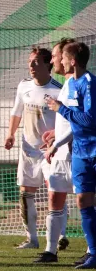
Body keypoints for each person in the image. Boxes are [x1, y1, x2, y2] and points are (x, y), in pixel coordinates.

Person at [4, 47, 62, 249]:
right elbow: (16, 111)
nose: (31, 66)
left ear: (48, 65)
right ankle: (32, 239)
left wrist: (56, 142)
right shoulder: (24, 86)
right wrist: (11, 133)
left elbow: (64, 120)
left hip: (50, 151)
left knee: (54, 193)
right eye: (30, 62)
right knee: (25, 193)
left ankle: (58, 238)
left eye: (36, 62)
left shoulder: (59, 90)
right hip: (28, 150)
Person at [46, 42, 96, 269]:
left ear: (73, 60)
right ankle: (93, 253)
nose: (61, 62)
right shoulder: (71, 83)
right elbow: (73, 123)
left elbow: (89, 120)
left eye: (64, 58)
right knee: (82, 200)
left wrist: (61, 109)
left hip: (94, 150)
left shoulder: (89, 84)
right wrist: (57, 142)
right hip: (79, 152)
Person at [33, 38, 76, 263]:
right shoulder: (67, 85)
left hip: (76, 154)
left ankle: (92, 251)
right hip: (59, 154)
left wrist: (59, 142)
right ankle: (51, 251)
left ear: (68, 59)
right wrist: (54, 136)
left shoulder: (79, 84)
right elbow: (68, 120)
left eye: (56, 56)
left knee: (86, 203)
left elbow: (81, 121)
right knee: (54, 199)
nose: (53, 60)